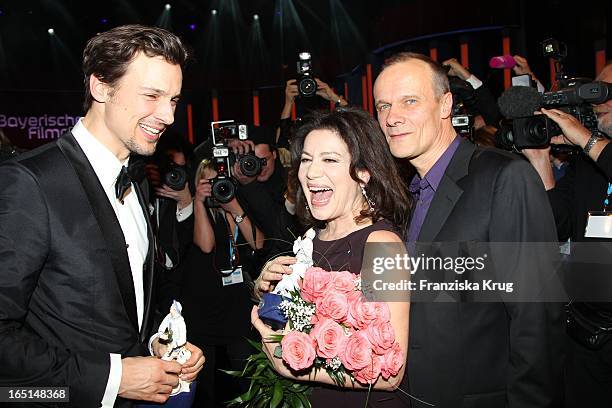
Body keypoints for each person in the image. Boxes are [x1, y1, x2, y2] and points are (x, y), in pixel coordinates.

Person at [0, 25, 204, 407]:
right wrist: (112, 378)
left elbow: (122, 308)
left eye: (173, 100)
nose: (168, 115)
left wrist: (160, 345)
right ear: (101, 88)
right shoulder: (30, 183)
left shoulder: (139, 181)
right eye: (152, 96)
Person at [373, 52, 564, 407]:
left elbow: (536, 319)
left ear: (445, 104)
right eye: (383, 106)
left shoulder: (504, 178)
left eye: (409, 101)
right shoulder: (404, 196)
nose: (392, 117)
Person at [253, 107, 412, 406]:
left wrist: (291, 363)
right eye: (306, 160)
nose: (312, 172)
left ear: (363, 173)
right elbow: (291, 322)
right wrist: (266, 291)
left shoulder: (382, 245)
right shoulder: (311, 239)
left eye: (329, 160)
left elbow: (392, 374)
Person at [523, 61, 612, 407]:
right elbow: (556, 223)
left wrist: (585, 139)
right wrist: (541, 159)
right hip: (586, 335)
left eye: (606, 93)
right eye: (596, 92)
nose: (598, 101)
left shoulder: (594, 149)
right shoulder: (587, 162)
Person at [179, 158, 263, 407]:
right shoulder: (193, 212)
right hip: (203, 308)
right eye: (209, 181)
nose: (217, 186)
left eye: (220, 180)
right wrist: (200, 202)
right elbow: (205, 245)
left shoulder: (235, 207)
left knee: (245, 374)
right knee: (205, 384)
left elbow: (258, 243)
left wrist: (233, 205)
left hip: (235, 306)